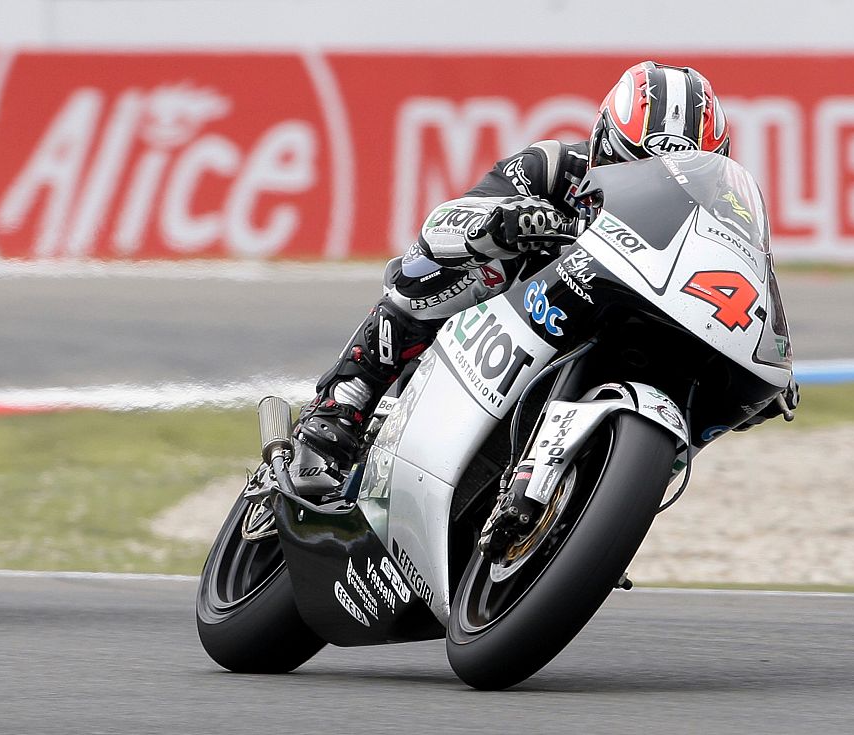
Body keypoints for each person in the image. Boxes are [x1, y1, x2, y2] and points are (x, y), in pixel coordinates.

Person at [293, 61, 799, 495]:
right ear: (604, 142)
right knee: (453, 267)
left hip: (628, 321)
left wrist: (769, 362)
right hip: (503, 320)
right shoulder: (554, 167)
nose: (653, 181)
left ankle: (586, 506)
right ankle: (338, 411)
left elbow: (755, 283)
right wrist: (500, 224)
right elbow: (440, 226)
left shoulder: (723, 213)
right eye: (636, 164)